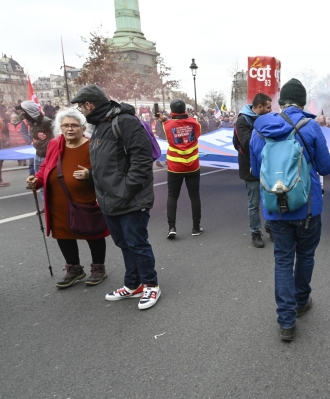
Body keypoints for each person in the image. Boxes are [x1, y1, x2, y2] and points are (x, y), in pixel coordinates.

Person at [250, 78, 330, 341]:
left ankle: (286, 322)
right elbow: (325, 168)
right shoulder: (310, 127)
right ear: (302, 101)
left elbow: (256, 171)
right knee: (306, 255)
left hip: (276, 208)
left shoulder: (259, 129)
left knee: (283, 260)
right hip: (307, 207)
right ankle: (300, 302)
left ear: (281, 102)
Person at [71, 84, 160, 310]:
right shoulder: (101, 125)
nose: (81, 110)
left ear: (89, 104)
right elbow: (109, 164)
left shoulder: (124, 122)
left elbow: (141, 161)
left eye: (81, 106)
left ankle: (151, 284)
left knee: (137, 243)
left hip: (130, 199)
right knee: (123, 244)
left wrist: (125, 189)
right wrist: (92, 177)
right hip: (110, 199)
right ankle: (133, 284)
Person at [26, 109, 109, 288]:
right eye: (65, 126)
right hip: (57, 199)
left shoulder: (92, 145)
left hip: (85, 197)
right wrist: (37, 181)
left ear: (82, 127)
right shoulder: (55, 143)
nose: (69, 129)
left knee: (92, 232)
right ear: (59, 128)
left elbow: (107, 172)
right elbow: (46, 167)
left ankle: (98, 267)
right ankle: (74, 268)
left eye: (73, 125)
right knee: (63, 234)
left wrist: (90, 175)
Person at [157, 99, 203, 238]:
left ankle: (172, 227)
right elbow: (193, 128)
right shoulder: (195, 123)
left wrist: (162, 119)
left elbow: (168, 124)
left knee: (172, 196)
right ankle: (196, 228)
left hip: (175, 167)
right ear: (185, 109)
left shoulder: (167, 125)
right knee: (194, 196)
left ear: (171, 111)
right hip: (193, 165)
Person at [234, 93, 273, 248]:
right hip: (250, 168)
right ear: (259, 107)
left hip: (267, 166)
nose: (271, 110)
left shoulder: (265, 118)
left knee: (270, 199)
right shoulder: (242, 121)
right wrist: (266, 131)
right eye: (268, 107)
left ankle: (271, 227)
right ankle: (255, 232)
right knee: (254, 202)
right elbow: (248, 143)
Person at [18, 100, 54, 206]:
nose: (22, 114)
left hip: (48, 156)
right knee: (40, 182)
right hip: (37, 155)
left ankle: (53, 204)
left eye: (23, 111)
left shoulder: (47, 121)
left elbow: (57, 134)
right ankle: (45, 205)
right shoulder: (31, 122)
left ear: (29, 111)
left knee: (51, 183)